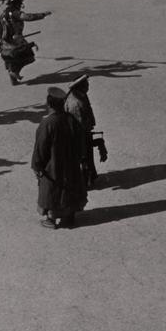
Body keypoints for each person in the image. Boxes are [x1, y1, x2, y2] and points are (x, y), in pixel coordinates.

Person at [32, 87, 87, 229]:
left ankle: (51, 219)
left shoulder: (47, 123)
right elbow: (81, 142)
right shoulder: (71, 120)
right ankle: (69, 217)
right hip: (71, 164)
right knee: (69, 189)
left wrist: (37, 166)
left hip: (53, 166)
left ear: (49, 104)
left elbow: (41, 147)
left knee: (52, 191)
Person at [64, 74, 100, 189]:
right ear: (80, 86)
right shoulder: (76, 103)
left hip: (82, 132)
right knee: (84, 157)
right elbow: (80, 123)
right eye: (86, 85)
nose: (88, 87)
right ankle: (86, 181)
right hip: (79, 135)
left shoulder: (80, 95)